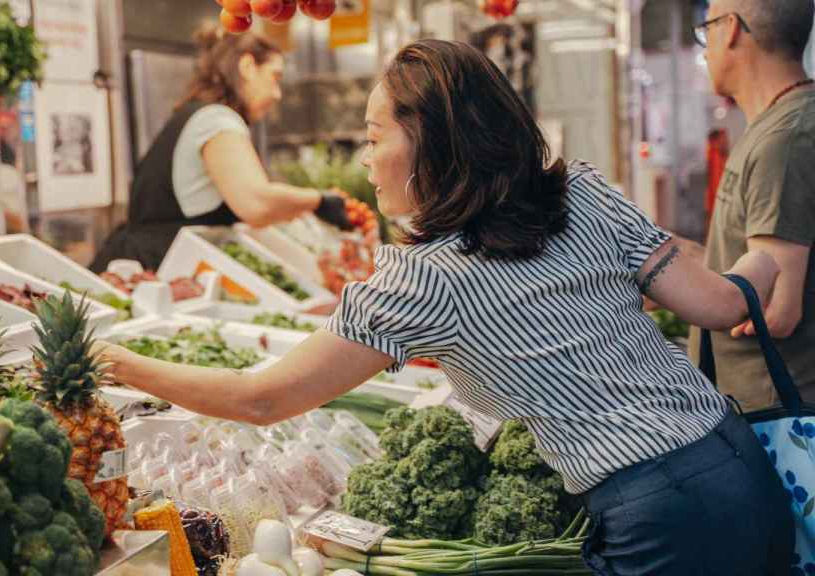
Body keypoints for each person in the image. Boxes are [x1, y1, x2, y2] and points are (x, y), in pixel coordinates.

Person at [97, 40, 792, 575]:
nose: (365, 161)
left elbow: (260, 401)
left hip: (659, 512)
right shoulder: (581, 194)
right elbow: (718, 300)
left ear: (431, 141)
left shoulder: (426, 282)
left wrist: (122, 363)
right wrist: (774, 254)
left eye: (373, 139)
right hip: (742, 463)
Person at [90, 25, 353, 273]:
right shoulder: (216, 119)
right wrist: (318, 200)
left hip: (145, 267)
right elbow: (257, 204)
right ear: (248, 66)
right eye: (275, 77)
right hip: (154, 271)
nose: (277, 94)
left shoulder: (197, 114)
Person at [691, 0, 815, 412]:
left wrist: (667, 284)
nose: (705, 49)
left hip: (780, 415)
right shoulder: (783, 124)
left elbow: (775, 310)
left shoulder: (786, 139)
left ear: (730, 29)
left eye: (705, 29)